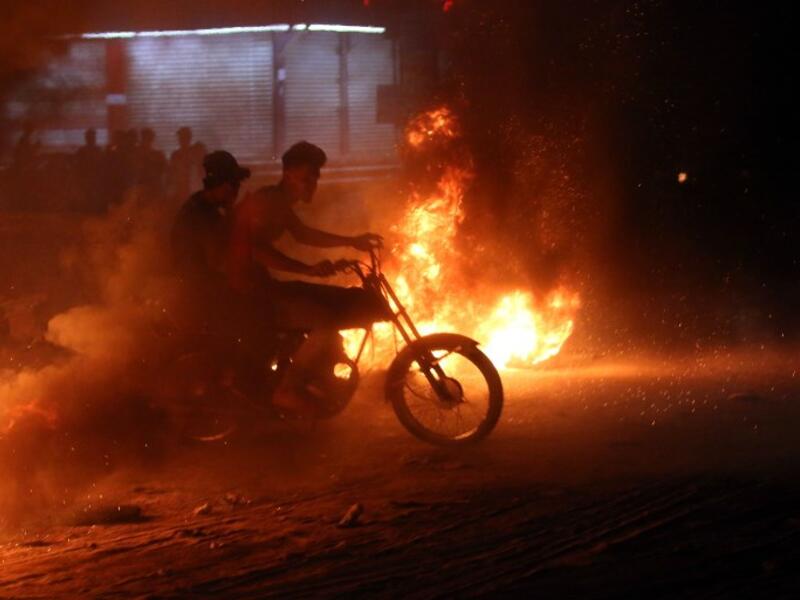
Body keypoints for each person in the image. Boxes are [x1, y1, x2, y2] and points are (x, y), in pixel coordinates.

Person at [228, 141, 387, 412]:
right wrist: (306, 269)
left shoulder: (280, 204)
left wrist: (352, 241)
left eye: (315, 177)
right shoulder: (266, 202)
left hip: (260, 283)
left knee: (321, 298)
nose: (311, 184)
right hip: (246, 289)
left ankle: (318, 375)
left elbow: (303, 234)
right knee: (324, 321)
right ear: (288, 173)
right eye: (306, 178)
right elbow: (256, 250)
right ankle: (287, 389)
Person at [168, 126, 206, 204]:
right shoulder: (175, 155)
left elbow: (201, 172)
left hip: (193, 189)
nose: (182, 140)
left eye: (185, 137)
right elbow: (171, 173)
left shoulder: (196, 153)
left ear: (189, 138)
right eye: (181, 137)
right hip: (179, 189)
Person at [74, 128, 104, 211]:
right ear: (86, 138)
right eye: (89, 137)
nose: (92, 139)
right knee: (86, 198)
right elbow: (78, 166)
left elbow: (101, 165)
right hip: (85, 178)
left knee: (94, 198)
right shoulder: (81, 151)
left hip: (96, 178)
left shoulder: (98, 150)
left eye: (93, 137)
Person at [136, 127, 167, 196]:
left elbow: (163, 171)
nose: (146, 141)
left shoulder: (158, 155)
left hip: (154, 187)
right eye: (144, 138)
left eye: (149, 138)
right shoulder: (137, 153)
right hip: (142, 187)